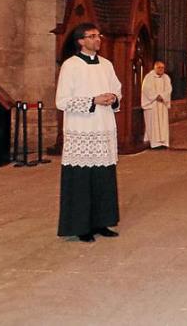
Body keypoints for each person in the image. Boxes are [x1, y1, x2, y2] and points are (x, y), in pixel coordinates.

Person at [55, 23, 122, 243]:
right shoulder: (70, 65)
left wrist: (113, 97)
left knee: (103, 179)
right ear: (80, 41)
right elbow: (62, 101)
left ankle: (102, 222)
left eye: (98, 35)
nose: (98, 39)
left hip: (103, 128)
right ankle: (81, 226)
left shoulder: (107, 65)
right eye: (92, 36)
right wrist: (93, 100)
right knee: (81, 181)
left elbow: (117, 89)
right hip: (81, 129)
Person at [141, 60, 172, 149]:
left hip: (162, 104)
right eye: (159, 67)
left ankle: (163, 142)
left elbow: (169, 89)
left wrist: (163, 96)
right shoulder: (149, 77)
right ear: (155, 68)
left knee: (162, 124)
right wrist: (156, 96)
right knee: (153, 124)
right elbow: (146, 89)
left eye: (162, 67)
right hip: (153, 104)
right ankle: (154, 143)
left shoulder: (166, 78)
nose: (161, 69)